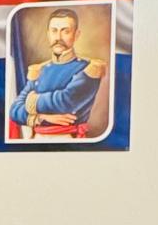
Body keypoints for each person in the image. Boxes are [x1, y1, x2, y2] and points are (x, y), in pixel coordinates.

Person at [9, 7, 107, 137]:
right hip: (36, 139)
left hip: (69, 140)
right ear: (48, 34)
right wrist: (41, 117)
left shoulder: (88, 68)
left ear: (76, 35)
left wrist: (32, 100)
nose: (58, 37)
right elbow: (15, 110)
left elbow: (65, 102)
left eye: (65, 31)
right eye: (54, 31)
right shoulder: (40, 69)